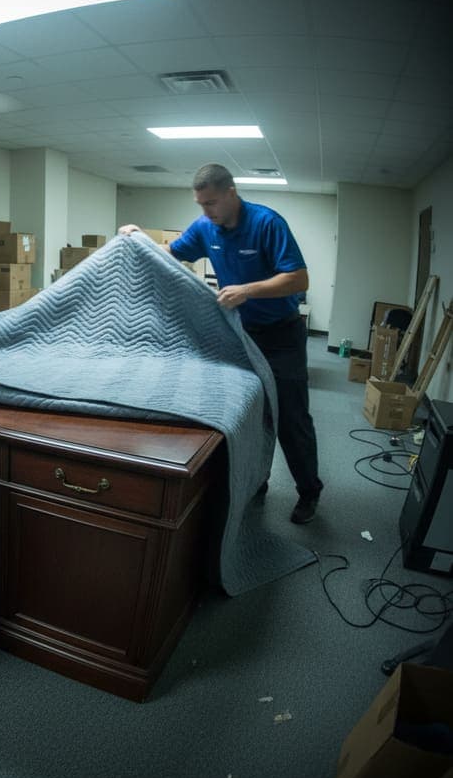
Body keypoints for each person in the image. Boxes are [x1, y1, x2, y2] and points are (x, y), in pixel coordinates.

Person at [119, 163, 323, 525]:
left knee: (291, 417)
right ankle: (258, 479)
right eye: (200, 204)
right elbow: (172, 252)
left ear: (231, 193)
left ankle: (309, 491)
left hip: (281, 336)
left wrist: (247, 290)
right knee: (250, 413)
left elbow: (298, 278)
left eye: (210, 203)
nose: (205, 212)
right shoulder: (204, 227)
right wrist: (140, 238)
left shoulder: (266, 223)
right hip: (241, 334)